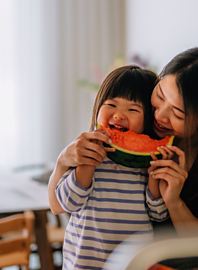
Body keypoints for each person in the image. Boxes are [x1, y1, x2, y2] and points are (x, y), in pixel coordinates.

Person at [49, 46, 198, 269]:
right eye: (160, 96)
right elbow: (58, 206)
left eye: (178, 113)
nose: (160, 115)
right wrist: (61, 162)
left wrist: (174, 202)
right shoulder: (140, 123)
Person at [51, 65, 170, 270]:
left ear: (147, 121)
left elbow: (159, 214)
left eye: (133, 109)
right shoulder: (82, 151)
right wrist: (89, 162)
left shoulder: (144, 164)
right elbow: (68, 203)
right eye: (111, 105)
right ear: (98, 107)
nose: (119, 115)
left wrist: (153, 174)